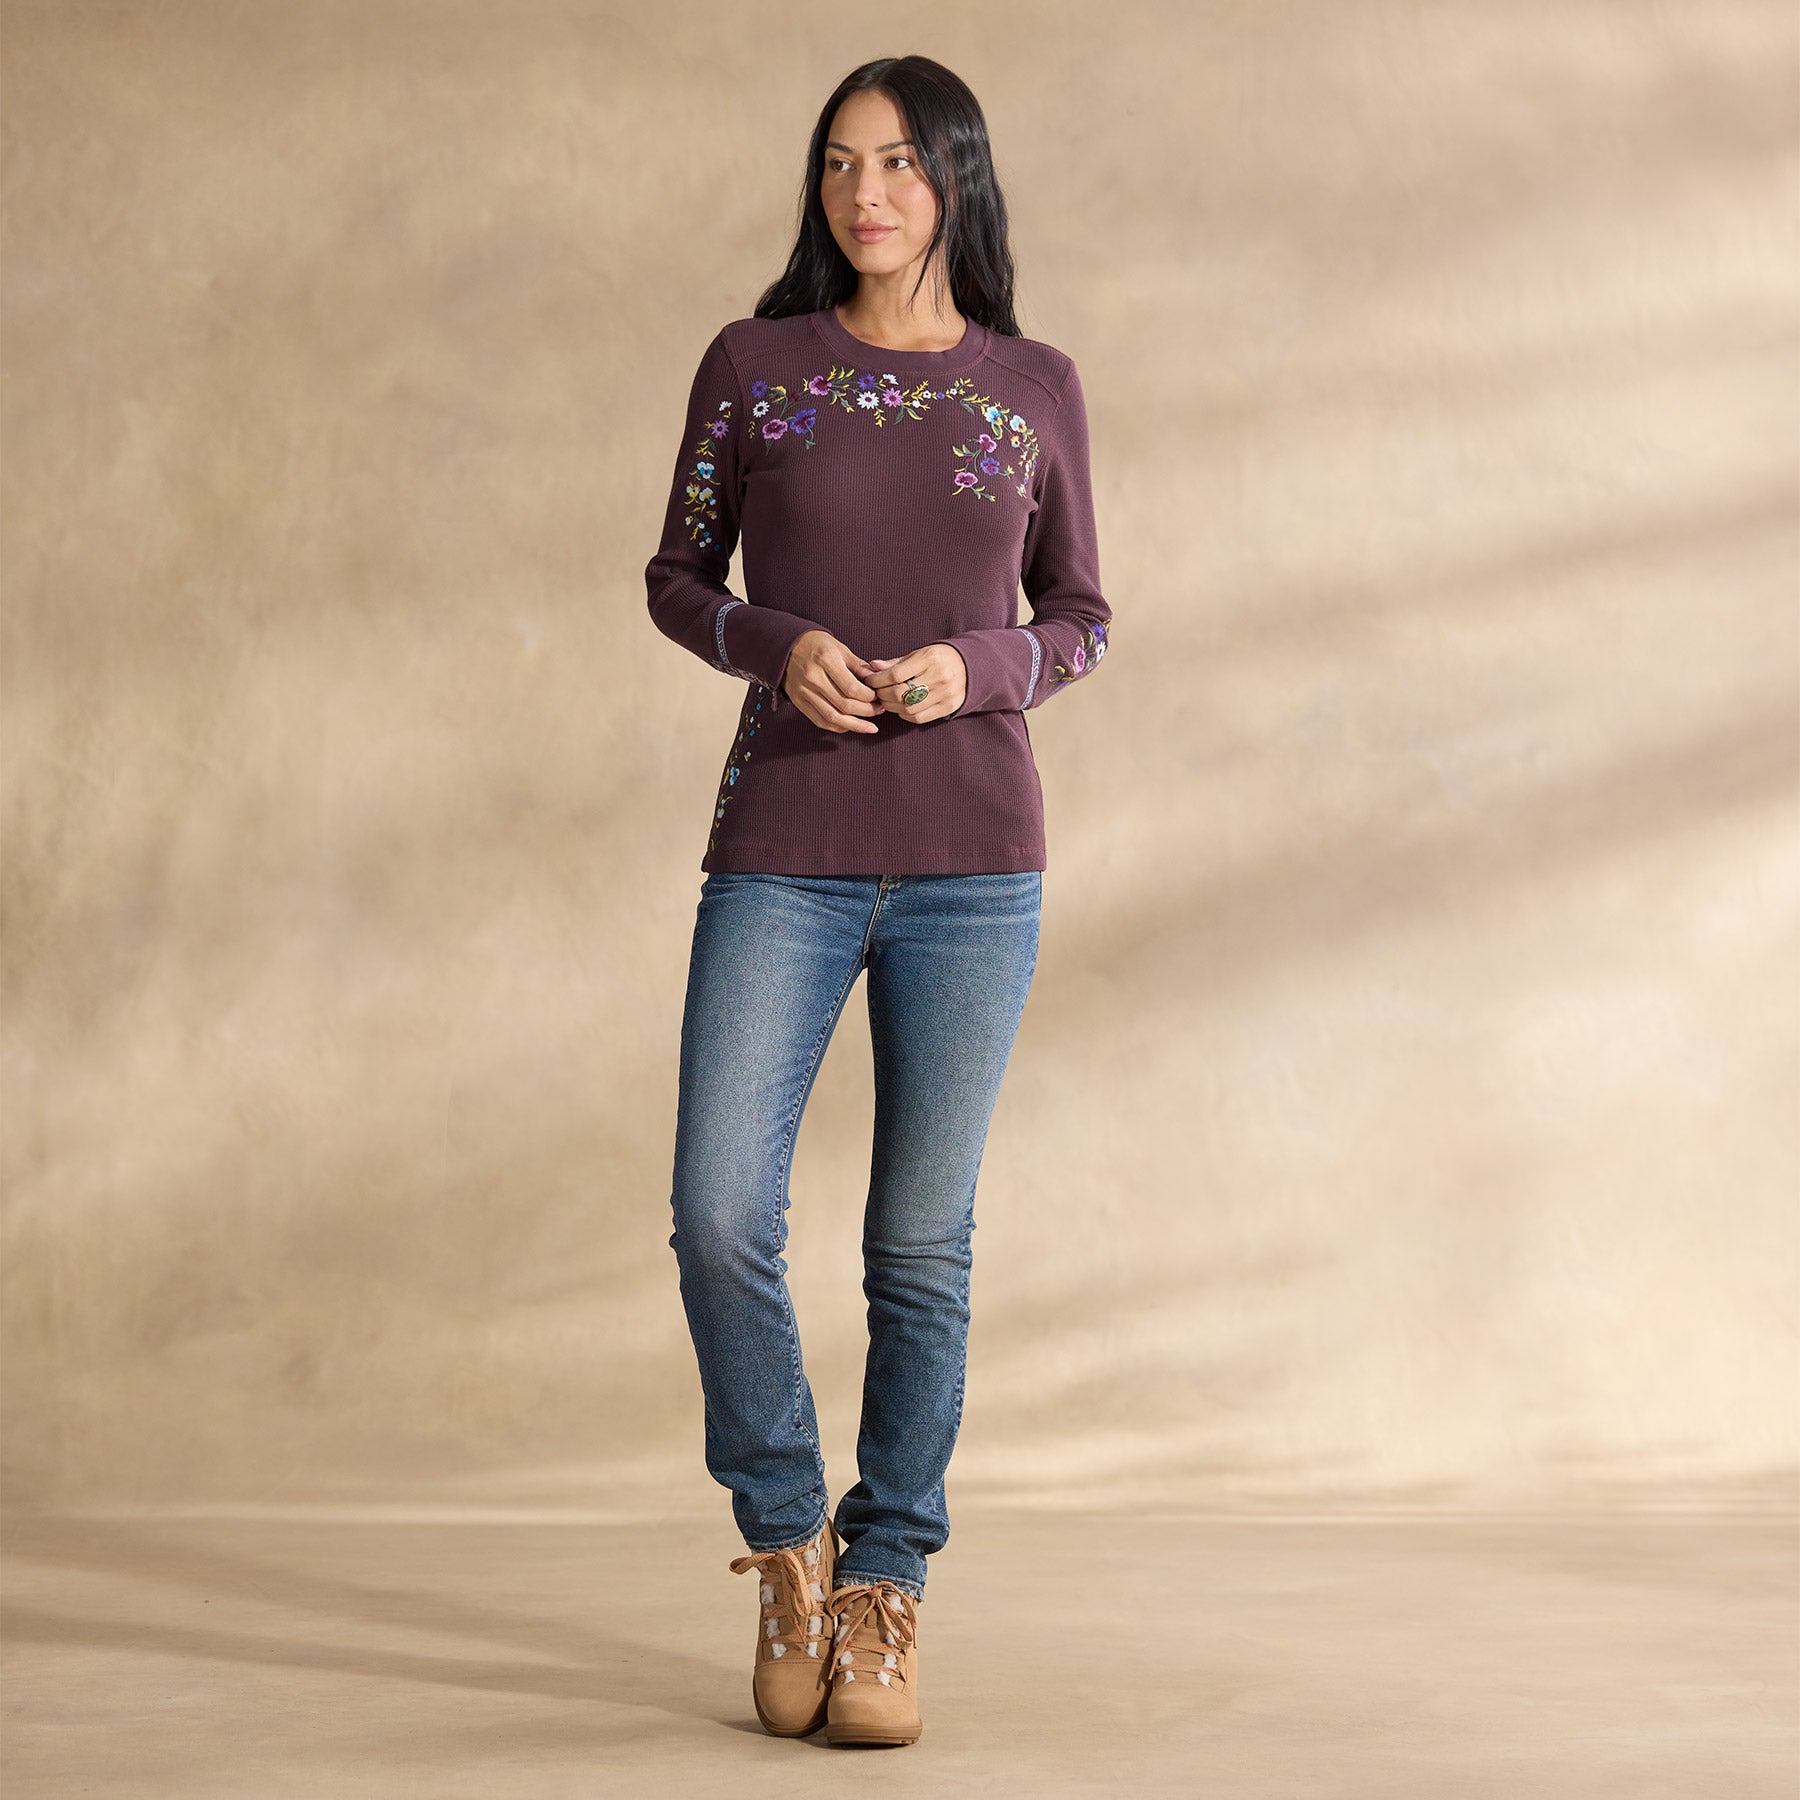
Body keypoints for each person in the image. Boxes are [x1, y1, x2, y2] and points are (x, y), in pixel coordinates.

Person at [643, 54, 1111, 1749]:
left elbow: (1081, 616)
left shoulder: (1033, 385)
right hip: (783, 842)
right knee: (719, 1212)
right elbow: (676, 578)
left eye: (902, 164)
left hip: (976, 864)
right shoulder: (753, 367)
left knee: (918, 1245)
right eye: (841, 164)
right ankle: (790, 1543)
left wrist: (978, 668)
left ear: (957, 181)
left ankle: (887, 1580)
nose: (867, 194)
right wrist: (782, 647)